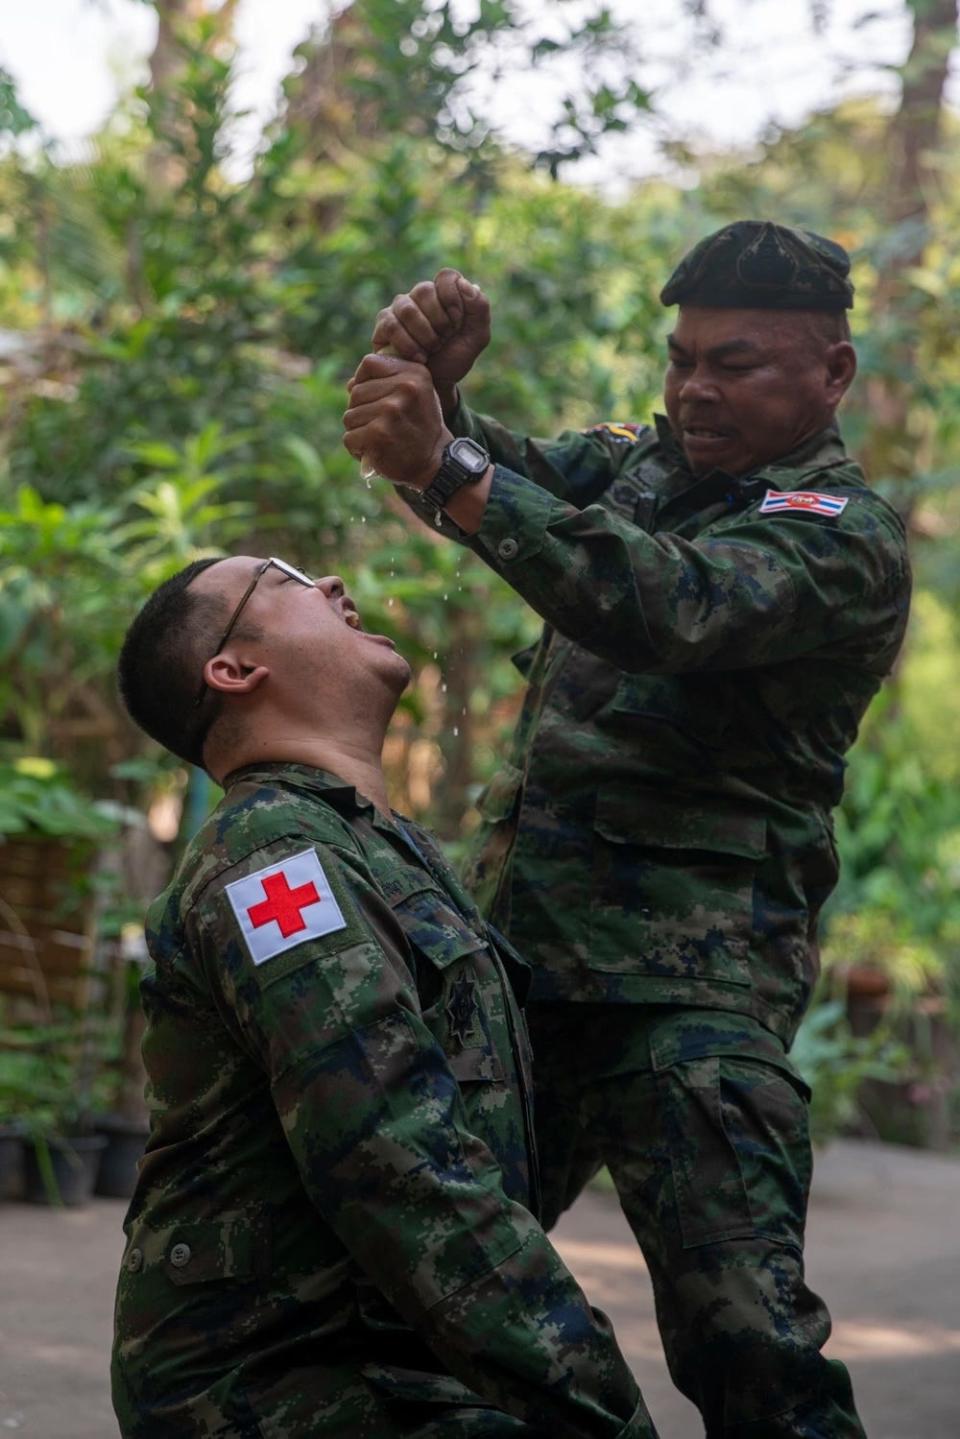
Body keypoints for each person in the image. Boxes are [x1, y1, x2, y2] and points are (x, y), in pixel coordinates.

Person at [342, 219, 913, 1437]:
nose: (695, 388)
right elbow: (499, 481)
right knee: (418, 1301)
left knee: (749, 1350)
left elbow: (667, 604)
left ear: (833, 374)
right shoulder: (640, 469)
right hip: (527, 973)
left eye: (736, 362)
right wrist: (437, 400)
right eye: (682, 358)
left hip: (687, 1000)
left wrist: (447, 464)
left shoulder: (838, 532)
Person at [111, 553, 656, 1439]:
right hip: (272, 1380)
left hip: (389, 1355)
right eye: (287, 578)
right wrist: (599, 1401)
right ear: (234, 669)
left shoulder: (377, 848)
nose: (330, 583)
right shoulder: (272, 860)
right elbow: (394, 1157)